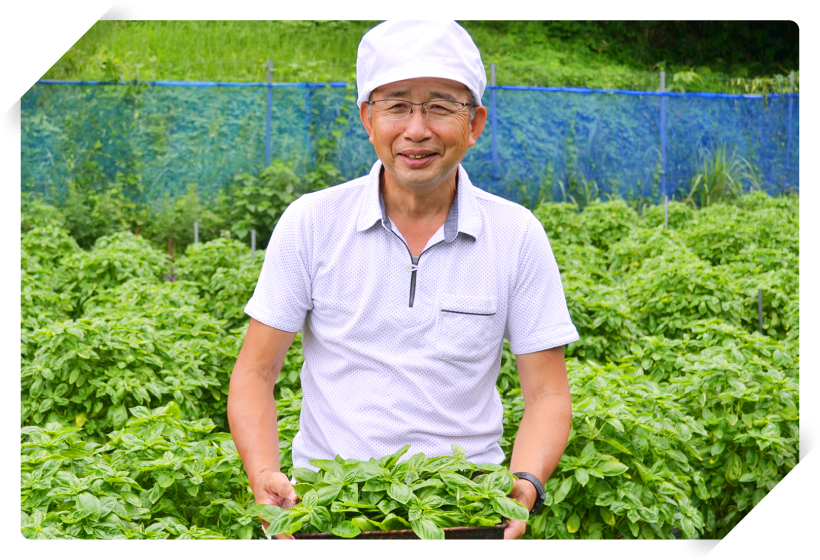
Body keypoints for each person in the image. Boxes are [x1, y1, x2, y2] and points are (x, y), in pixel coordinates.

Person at [227, 20, 579, 540]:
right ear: (368, 119)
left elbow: (548, 395)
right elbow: (254, 376)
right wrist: (263, 477)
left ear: (475, 123)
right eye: (396, 106)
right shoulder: (312, 222)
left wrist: (525, 480)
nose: (417, 129)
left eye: (440, 106)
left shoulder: (516, 234)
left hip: (464, 507)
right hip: (328, 506)